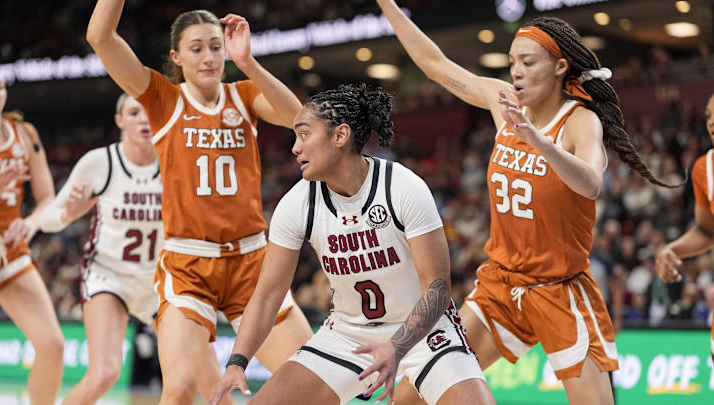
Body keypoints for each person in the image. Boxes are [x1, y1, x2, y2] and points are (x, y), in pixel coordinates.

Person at [376, 1, 675, 404]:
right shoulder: (504, 103)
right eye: (512, 61)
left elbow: (591, 183)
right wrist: (388, 5)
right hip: (500, 286)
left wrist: (540, 143)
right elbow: (436, 65)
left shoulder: (579, 121)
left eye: (528, 62)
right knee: (410, 395)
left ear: (559, 66)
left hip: (559, 289)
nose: (516, 70)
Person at [209, 84, 495, 405]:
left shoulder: (402, 186)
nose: (294, 148)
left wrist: (396, 346)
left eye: (304, 135)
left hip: (424, 332)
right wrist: (237, 362)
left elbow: (438, 289)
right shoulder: (297, 203)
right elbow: (267, 295)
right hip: (348, 334)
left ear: (340, 136)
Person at [86, 3, 312, 404]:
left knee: (313, 382)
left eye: (215, 46)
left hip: (251, 263)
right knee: (180, 390)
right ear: (176, 57)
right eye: (196, 49)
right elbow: (100, 38)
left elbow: (299, 118)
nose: (208, 57)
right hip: (189, 266)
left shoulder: (243, 95)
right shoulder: (162, 99)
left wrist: (249, 62)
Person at [40, 93, 232, 405]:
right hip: (109, 275)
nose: (143, 118)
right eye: (133, 112)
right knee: (104, 374)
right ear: (120, 121)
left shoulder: (178, 159)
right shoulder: (99, 162)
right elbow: (47, 220)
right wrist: (67, 214)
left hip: (163, 280)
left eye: (148, 112)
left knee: (210, 374)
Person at [0, 69, 62, 405]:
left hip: (8, 250)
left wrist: (32, 222)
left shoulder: (24, 134)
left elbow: (47, 197)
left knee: (53, 345)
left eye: (0, 86)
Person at [655, 93, 714, 361]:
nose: (711, 122)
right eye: (708, 116)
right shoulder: (705, 168)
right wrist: (673, 248)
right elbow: (706, 231)